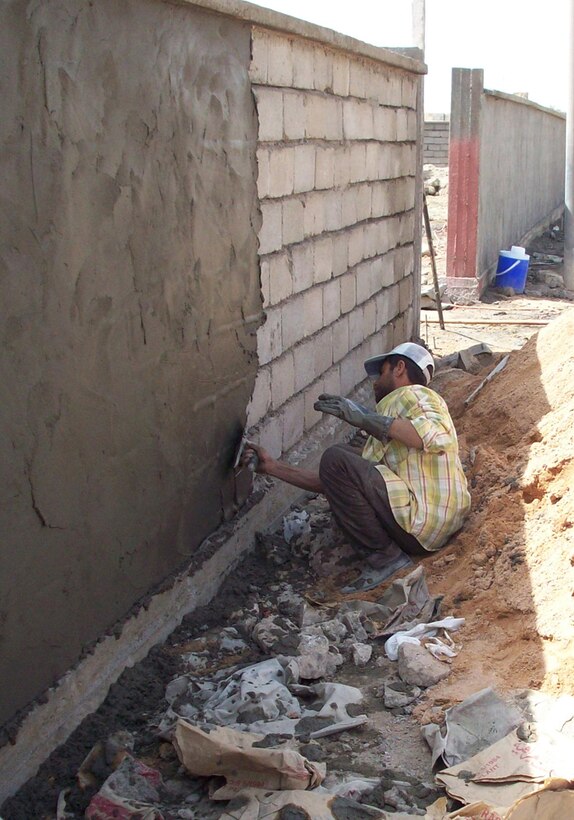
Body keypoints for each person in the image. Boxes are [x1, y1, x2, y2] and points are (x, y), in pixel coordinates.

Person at [244, 342, 471, 591]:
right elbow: (337, 483)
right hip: (431, 529)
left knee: (336, 457)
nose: (374, 382)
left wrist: (364, 417)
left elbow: (438, 435)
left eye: (381, 372)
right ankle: (388, 555)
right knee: (340, 458)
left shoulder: (414, 394)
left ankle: (386, 559)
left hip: (424, 522)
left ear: (399, 368)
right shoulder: (395, 421)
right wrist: (272, 467)